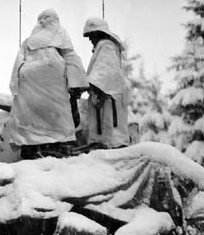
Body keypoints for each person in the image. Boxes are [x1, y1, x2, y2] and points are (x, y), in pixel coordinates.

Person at [9, 9, 88, 158]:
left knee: (30, 118)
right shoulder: (60, 34)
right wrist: (77, 86)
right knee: (59, 118)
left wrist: (15, 85)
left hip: (28, 77)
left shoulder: (29, 40)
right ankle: (57, 144)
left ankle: (32, 145)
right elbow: (72, 59)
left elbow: (17, 64)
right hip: (53, 77)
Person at [83, 17, 130, 148]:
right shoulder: (106, 47)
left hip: (109, 102)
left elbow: (104, 74)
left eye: (91, 36)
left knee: (111, 138)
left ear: (98, 33)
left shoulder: (106, 46)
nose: (90, 40)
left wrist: (88, 84)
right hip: (110, 100)